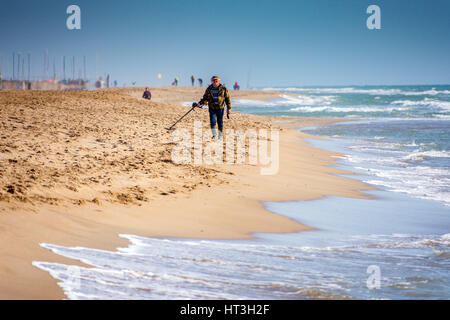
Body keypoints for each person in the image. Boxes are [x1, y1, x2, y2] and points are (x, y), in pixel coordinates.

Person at [193, 75, 231, 140]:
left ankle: (220, 135)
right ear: (211, 81)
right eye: (213, 80)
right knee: (213, 121)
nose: (215, 82)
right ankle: (214, 135)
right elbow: (205, 98)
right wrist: (199, 103)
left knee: (220, 121)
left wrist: (229, 108)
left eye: (216, 80)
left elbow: (227, 99)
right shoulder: (209, 89)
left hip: (220, 107)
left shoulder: (223, 88)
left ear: (219, 81)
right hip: (212, 107)